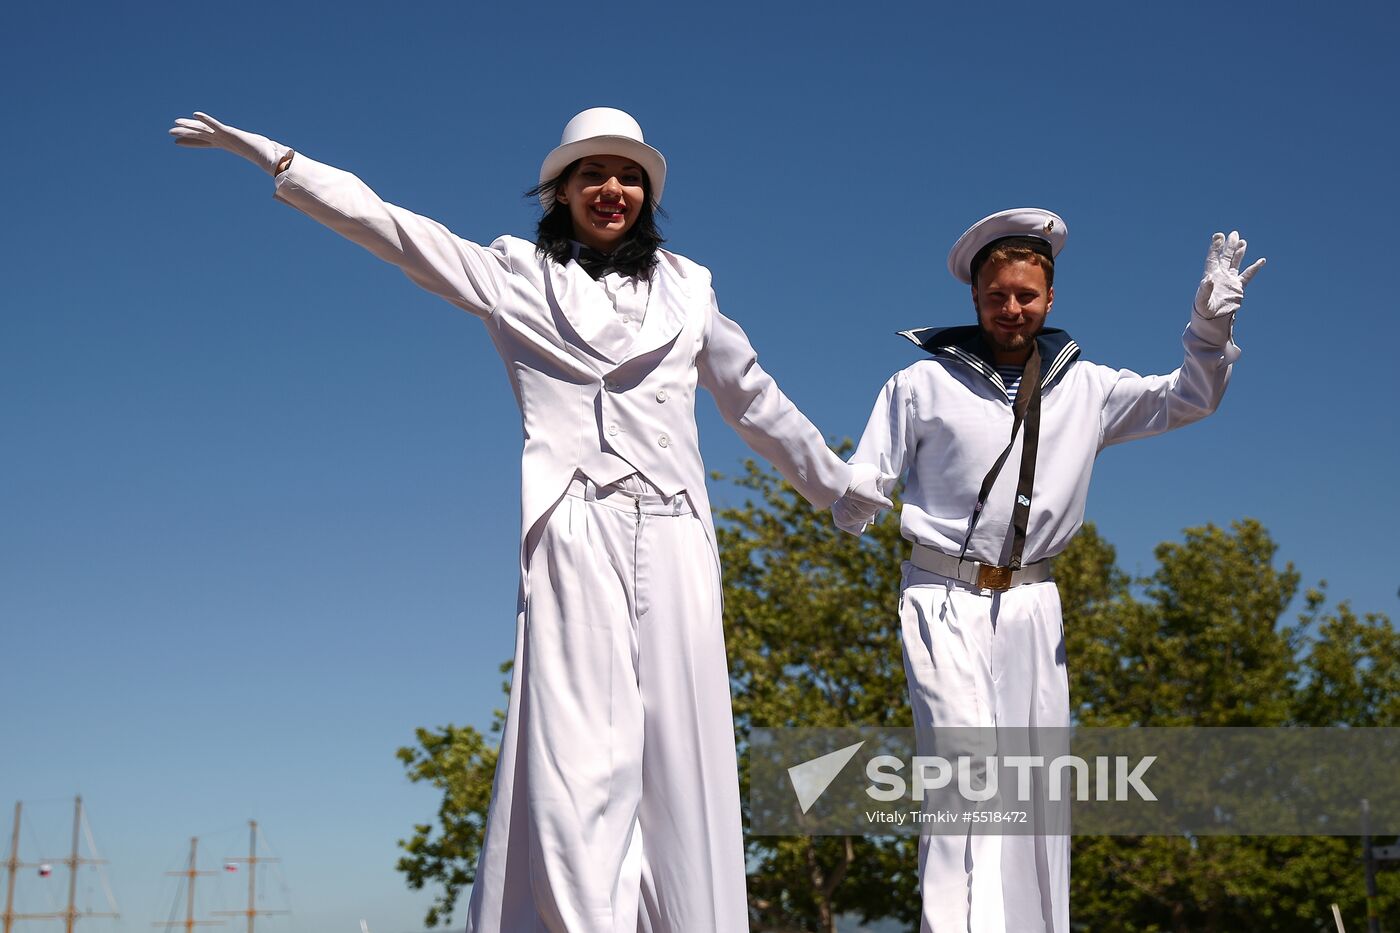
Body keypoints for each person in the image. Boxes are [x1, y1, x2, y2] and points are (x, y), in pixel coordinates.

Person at [168, 107, 890, 933]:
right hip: (574, 523)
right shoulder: (513, 272)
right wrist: (282, 161)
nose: (610, 189)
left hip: (676, 527)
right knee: (578, 755)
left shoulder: (692, 287)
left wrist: (836, 487)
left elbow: (752, 396)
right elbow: (394, 231)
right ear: (561, 191)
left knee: (686, 750)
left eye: (627, 176)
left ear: (647, 195)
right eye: (591, 174)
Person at [830, 208, 1265, 932]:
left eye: (1026, 295)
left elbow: (1188, 397)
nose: (1011, 308)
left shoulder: (1087, 386)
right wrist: (839, 492)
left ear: (1050, 299)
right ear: (975, 298)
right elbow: (862, 484)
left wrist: (1209, 330)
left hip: (1034, 604)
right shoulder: (918, 385)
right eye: (997, 295)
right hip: (941, 595)